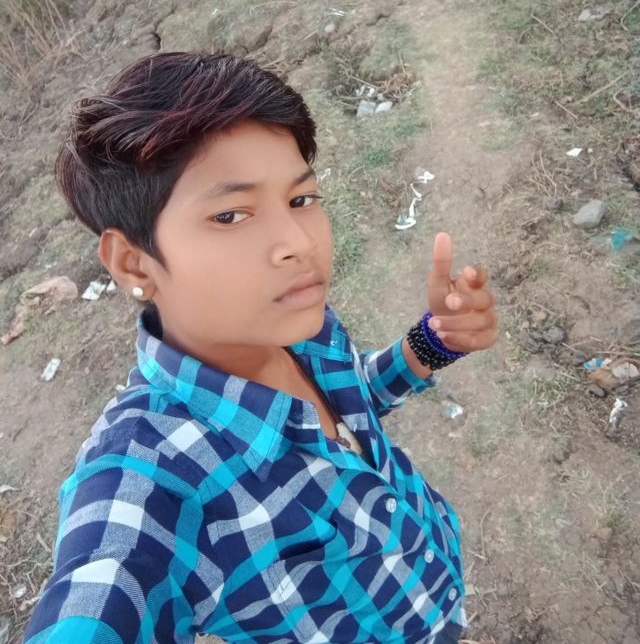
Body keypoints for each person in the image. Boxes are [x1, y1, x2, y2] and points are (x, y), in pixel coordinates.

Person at [22, 52, 498, 644]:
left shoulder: (298, 328)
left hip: (433, 576)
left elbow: (351, 400)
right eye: (230, 215)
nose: (298, 242)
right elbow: (101, 593)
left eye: (301, 200)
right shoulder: (152, 475)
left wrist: (432, 342)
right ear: (134, 263)